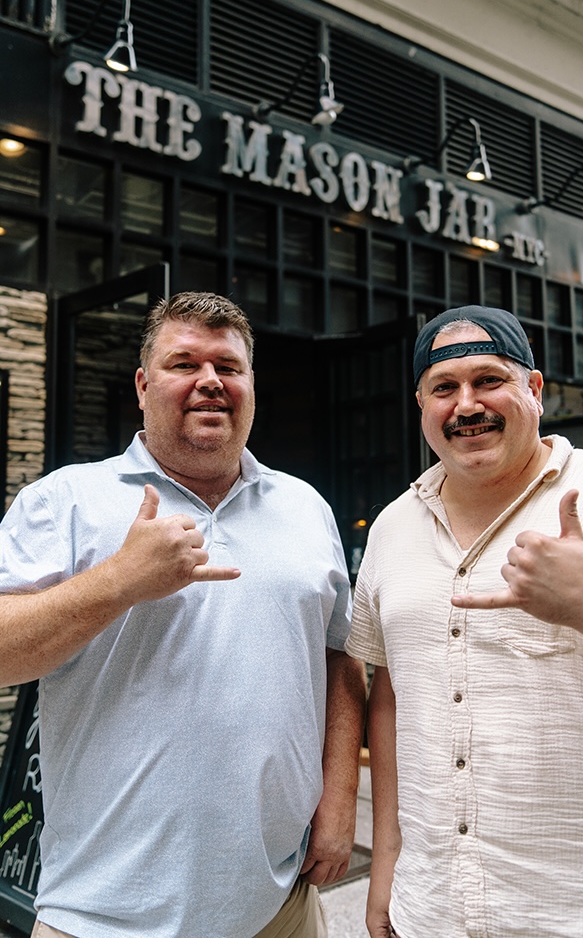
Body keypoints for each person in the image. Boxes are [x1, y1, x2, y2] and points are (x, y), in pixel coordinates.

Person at [0, 291, 366, 938]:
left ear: (252, 385)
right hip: (101, 914)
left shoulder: (305, 507)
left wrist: (339, 806)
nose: (210, 382)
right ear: (143, 385)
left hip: (278, 906)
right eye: (183, 364)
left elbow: (338, 659)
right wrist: (118, 581)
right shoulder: (65, 501)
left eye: (228, 367)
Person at [345, 303, 583, 938]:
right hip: (433, 915)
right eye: (444, 388)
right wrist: (387, 870)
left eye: (489, 380)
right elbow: (392, 697)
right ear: (421, 404)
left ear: (533, 390)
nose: (466, 404)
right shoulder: (393, 526)